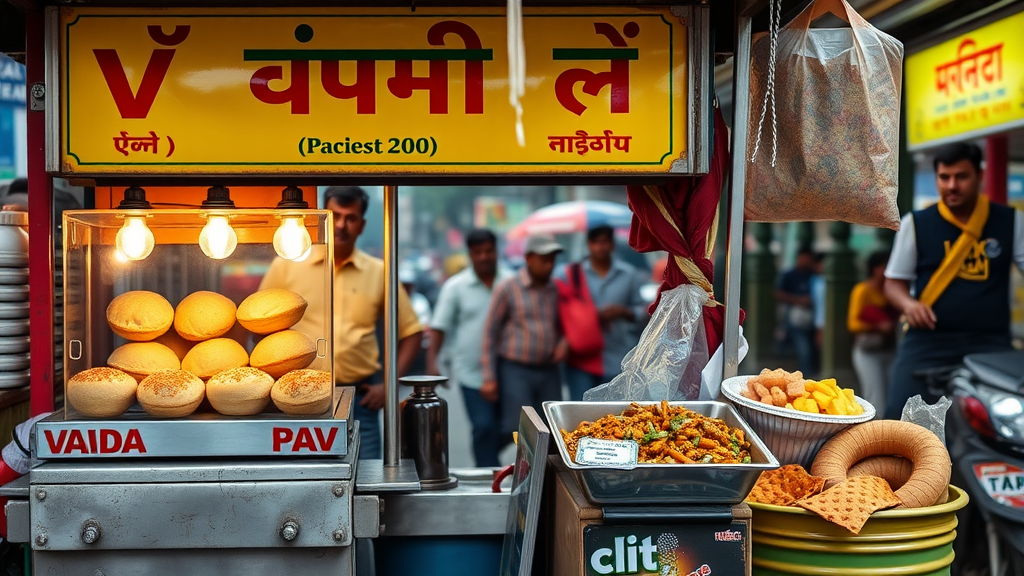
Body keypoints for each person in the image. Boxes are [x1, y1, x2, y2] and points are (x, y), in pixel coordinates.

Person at [260, 186, 423, 459]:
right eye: (335, 215)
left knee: (365, 481)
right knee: (304, 477)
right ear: (323, 216)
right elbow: (259, 320)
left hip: (362, 400)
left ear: (362, 224)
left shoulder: (379, 272)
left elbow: (412, 332)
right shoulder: (286, 265)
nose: (341, 224)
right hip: (294, 394)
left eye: (351, 217)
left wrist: (389, 384)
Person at [884, 142, 1024, 419]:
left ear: (979, 176)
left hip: (991, 343)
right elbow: (894, 284)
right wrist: (909, 305)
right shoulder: (916, 223)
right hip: (927, 343)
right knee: (897, 419)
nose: (951, 185)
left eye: (961, 177)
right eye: (944, 177)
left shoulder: (1011, 221)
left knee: (1009, 422)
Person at [427, 229, 512, 467]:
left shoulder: (511, 282)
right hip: (471, 373)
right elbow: (438, 328)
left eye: (489, 251)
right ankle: (487, 477)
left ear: (496, 251)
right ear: (470, 254)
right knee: (483, 426)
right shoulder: (456, 287)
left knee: (510, 428)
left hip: (508, 372)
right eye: (478, 252)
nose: (484, 257)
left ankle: (491, 465)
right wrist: (432, 365)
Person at [481, 233, 568, 450]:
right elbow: (490, 332)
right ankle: (524, 475)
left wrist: (564, 343)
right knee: (519, 427)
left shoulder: (555, 288)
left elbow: (566, 324)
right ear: (529, 258)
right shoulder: (509, 287)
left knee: (552, 427)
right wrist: (489, 377)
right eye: (544, 258)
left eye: (552, 259)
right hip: (516, 369)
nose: (549, 264)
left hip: (549, 369)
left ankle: (547, 480)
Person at [556, 225, 649, 400]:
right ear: (589, 245)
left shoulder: (627, 274)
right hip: (581, 355)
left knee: (611, 410)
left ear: (612, 245)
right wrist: (589, 318)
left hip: (616, 353)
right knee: (580, 408)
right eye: (596, 242)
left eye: (605, 242)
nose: (600, 247)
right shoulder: (570, 274)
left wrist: (623, 312)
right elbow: (561, 310)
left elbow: (641, 310)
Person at [848, 252, 898, 416]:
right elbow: (852, 323)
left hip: (889, 348)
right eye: (883, 266)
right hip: (868, 351)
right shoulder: (862, 290)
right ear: (874, 268)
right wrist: (877, 326)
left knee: (893, 393)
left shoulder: (892, 291)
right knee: (875, 397)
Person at [777, 248, 819, 376]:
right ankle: (804, 376)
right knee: (803, 349)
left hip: (812, 318)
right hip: (795, 317)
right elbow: (778, 294)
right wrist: (799, 300)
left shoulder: (812, 276)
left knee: (813, 349)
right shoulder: (789, 275)